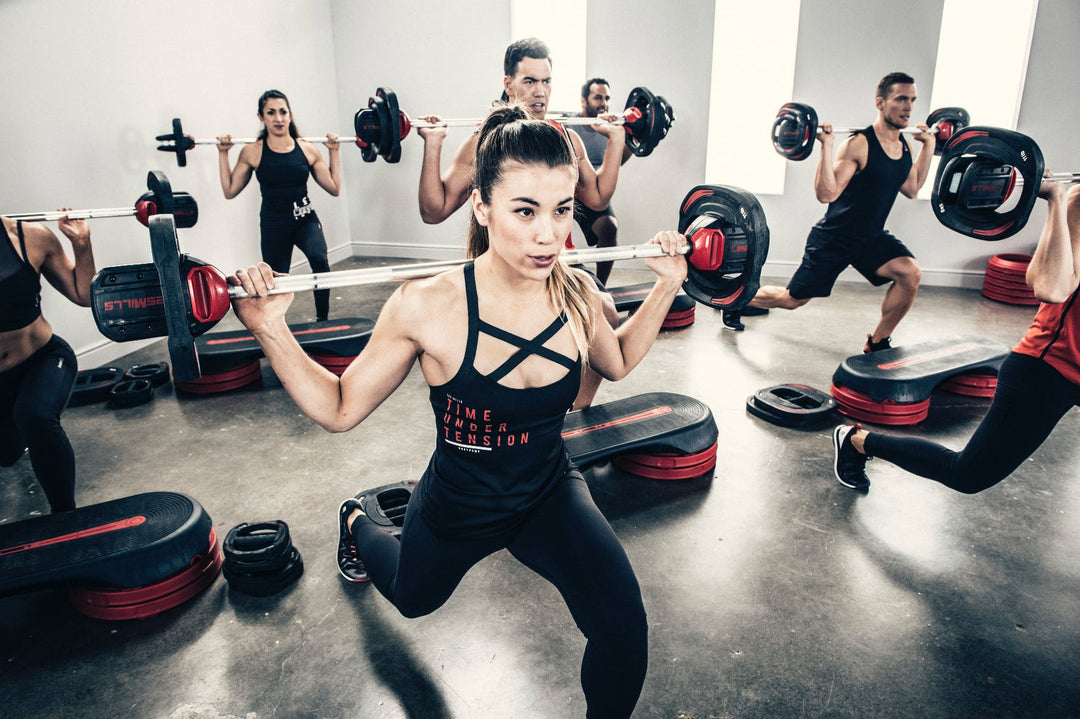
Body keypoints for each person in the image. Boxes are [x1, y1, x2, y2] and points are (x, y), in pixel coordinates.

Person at [229, 108, 688, 718]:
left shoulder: (576, 291)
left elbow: (617, 361)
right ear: (482, 207)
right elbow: (338, 407)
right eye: (525, 211)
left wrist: (666, 285)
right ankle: (356, 522)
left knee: (623, 627)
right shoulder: (426, 306)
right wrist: (270, 329)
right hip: (460, 502)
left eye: (562, 210)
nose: (548, 235)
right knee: (413, 598)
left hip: (546, 489)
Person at [417, 38, 627, 408]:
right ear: (508, 83)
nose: (540, 92)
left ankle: (572, 414)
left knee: (605, 314)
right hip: (505, 266)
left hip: (558, 262)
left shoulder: (566, 137)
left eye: (546, 81)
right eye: (529, 81)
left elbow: (596, 198)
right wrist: (433, 144)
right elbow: (435, 210)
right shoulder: (486, 142)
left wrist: (617, 140)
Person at [833, 180, 1080, 492]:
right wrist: (1057, 199)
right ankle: (857, 441)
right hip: (1051, 368)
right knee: (968, 474)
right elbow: (1047, 287)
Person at [724, 72, 932, 349]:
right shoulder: (859, 144)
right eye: (901, 99)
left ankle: (878, 342)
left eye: (912, 100)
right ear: (880, 103)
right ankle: (736, 300)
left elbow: (912, 188)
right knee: (792, 299)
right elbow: (826, 194)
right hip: (835, 237)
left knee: (910, 273)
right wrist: (827, 147)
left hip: (870, 237)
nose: (908, 107)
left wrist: (928, 146)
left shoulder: (903, 146)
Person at [218, 89, 342, 322]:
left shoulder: (307, 148)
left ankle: (323, 321)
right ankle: (277, 326)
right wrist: (223, 154)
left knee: (320, 260)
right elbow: (230, 190)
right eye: (271, 112)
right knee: (274, 280)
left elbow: (334, 187)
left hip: (305, 219)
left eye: (283, 112)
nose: (278, 118)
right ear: (261, 117)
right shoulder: (252, 151)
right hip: (274, 225)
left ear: (290, 115)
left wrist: (333, 151)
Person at [0, 213, 95, 514]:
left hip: (42, 359)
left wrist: (81, 243)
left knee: (35, 416)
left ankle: (65, 516)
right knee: (7, 454)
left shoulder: (31, 238)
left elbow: (83, 294)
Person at [568, 77, 633, 285]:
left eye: (607, 98)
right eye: (597, 98)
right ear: (583, 101)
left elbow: (618, 161)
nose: (603, 103)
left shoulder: (610, 128)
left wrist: (632, 138)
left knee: (609, 228)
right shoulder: (569, 124)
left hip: (595, 189)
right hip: (568, 187)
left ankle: (601, 285)